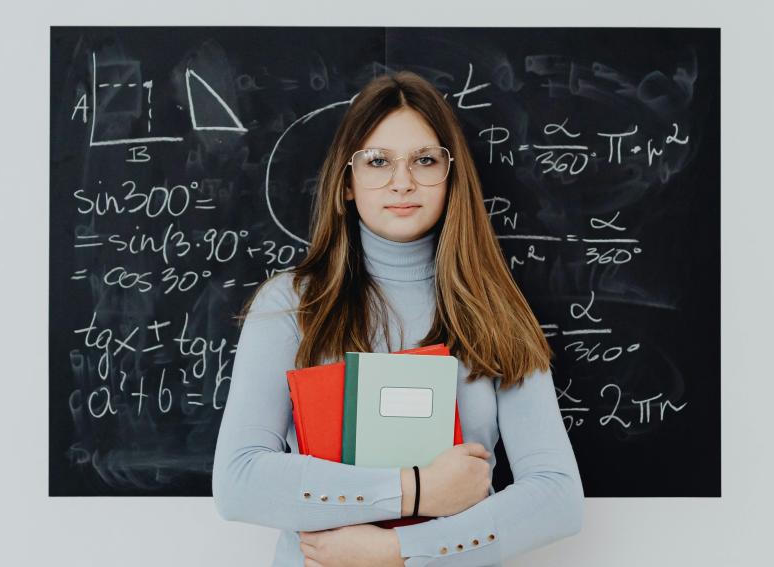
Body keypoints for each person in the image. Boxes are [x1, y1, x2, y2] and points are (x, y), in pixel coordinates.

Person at [212, 70, 584, 567]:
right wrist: (416, 490)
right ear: (347, 182)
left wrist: (399, 551)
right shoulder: (290, 305)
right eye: (378, 161)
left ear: (451, 178)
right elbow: (239, 483)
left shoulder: (494, 308)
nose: (402, 181)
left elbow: (557, 497)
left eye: (425, 160)